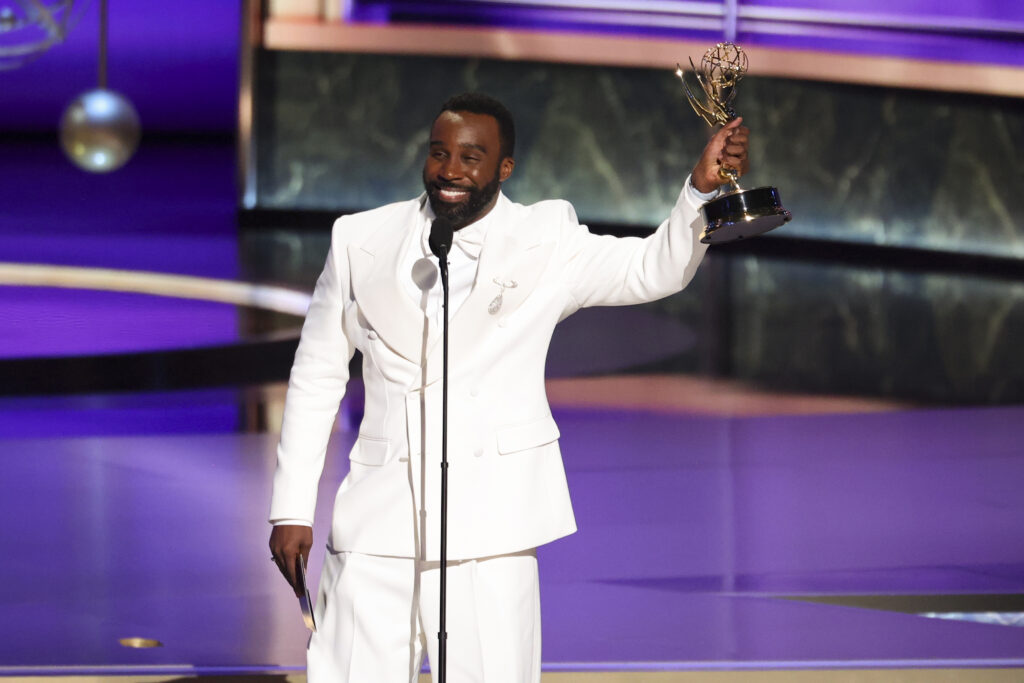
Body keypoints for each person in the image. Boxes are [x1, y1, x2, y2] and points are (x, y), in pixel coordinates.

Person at [269, 92, 750, 682]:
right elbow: (316, 374)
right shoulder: (359, 240)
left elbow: (651, 268)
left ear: (504, 169)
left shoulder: (545, 240)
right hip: (377, 525)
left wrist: (699, 193)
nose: (450, 170)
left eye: (472, 157)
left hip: (492, 530)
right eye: (440, 153)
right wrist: (290, 507)